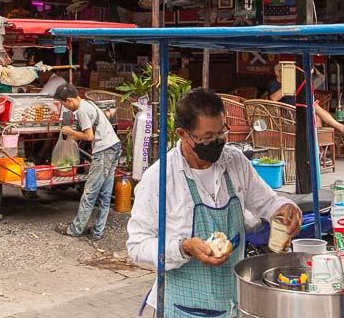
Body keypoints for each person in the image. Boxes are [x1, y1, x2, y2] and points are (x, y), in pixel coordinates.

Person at [128, 88, 302, 316]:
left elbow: (267, 203)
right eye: (207, 137)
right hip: (184, 307)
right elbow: (136, 246)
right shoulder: (160, 178)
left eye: (221, 133)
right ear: (182, 134)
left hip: (234, 300)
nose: (217, 142)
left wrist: (285, 209)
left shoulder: (235, 161)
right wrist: (182, 248)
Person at [55, 84, 122, 240]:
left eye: (63, 104)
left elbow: (89, 136)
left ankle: (75, 229)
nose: (65, 107)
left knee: (89, 193)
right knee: (105, 194)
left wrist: (70, 131)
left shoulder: (82, 111)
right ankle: (97, 231)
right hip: (114, 146)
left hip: (104, 151)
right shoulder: (87, 103)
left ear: (69, 100)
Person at [266, 64, 344, 141]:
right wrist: (288, 84)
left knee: (316, 114)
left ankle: (317, 149)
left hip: (300, 108)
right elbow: (273, 98)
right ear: (277, 73)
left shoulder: (291, 83)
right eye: (285, 71)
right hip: (288, 112)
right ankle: (342, 128)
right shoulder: (274, 84)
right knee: (314, 109)